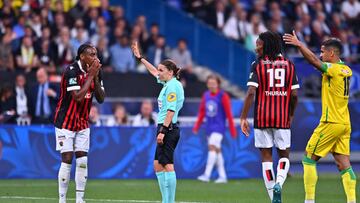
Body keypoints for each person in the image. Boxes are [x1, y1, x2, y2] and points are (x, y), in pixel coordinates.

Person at [283, 32, 356, 203]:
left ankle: (309, 200)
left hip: (331, 122)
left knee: (308, 158)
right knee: (343, 164)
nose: (321, 55)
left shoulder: (335, 70)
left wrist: (300, 45)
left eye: (323, 52)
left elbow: (314, 62)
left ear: (332, 53)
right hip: (344, 123)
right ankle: (352, 201)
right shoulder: (346, 69)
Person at [240, 31, 299, 203]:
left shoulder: (257, 65)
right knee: (284, 156)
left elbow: (251, 91)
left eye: (258, 44)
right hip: (282, 118)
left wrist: (243, 117)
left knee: (266, 158)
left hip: (262, 118)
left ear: (267, 45)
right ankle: (279, 182)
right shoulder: (289, 65)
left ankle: (274, 197)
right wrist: (291, 114)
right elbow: (294, 95)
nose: (256, 47)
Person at [131, 41, 184, 203]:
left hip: (168, 128)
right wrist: (141, 58)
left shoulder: (173, 86)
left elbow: (171, 110)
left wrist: (162, 130)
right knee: (157, 165)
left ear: (170, 72)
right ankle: (165, 200)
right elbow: (153, 71)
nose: (158, 72)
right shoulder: (168, 83)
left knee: (167, 164)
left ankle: (170, 201)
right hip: (165, 127)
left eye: (162, 70)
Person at [53, 43, 105, 203]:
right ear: (82, 56)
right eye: (91, 54)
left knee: (82, 160)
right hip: (65, 122)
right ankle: (62, 200)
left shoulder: (96, 71)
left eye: (96, 54)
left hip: (82, 122)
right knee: (67, 159)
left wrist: (95, 77)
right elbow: (77, 97)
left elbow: (101, 98)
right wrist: (90, 76)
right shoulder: (71, 71)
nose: (95, 57)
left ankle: (79, 199)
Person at [193, 74, 237, 183]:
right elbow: (202, 112)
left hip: (219, 127)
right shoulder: (206, 95)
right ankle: (223, 176)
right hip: (209, 127)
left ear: (218, 84)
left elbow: (229, 114)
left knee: (211, 147)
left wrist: (232, 129)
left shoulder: (223, 96)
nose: (211, 85)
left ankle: (206, 175)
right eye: (209, 83)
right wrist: (197, 126)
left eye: (213, 83)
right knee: (217, 151)